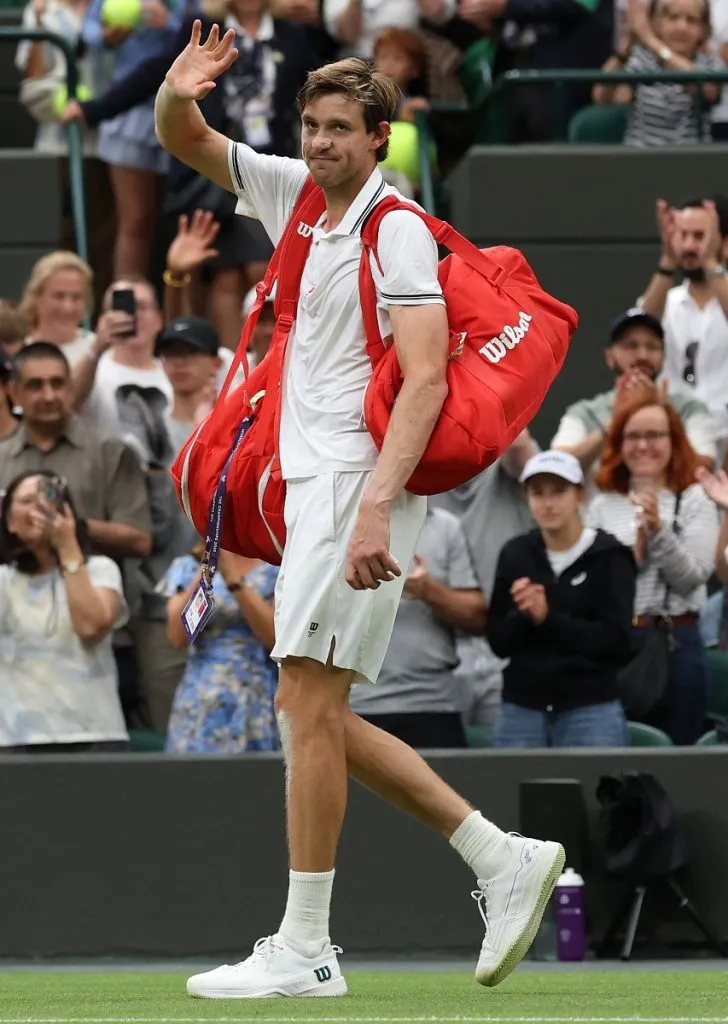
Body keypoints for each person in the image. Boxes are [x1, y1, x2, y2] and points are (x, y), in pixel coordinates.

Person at [154, 22, 564, 998]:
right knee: (317, 711)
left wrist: (378, 506)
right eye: (311, 125)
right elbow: (189, 140)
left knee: (306, 703)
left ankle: (307, 944)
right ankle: (495, 856)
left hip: (355, 487)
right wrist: (177, 89)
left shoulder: (395, 228)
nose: (322, 141)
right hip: (318, 493)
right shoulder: (296, 194)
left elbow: (423, 381)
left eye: (341, 127)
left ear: (381, 137)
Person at [588, 391, 718, 744]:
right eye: (633, 436)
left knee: (677, 761)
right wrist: (636, 553)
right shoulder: (602, 505)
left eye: (655, 435)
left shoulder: (694, 498)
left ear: (674, 442)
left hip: (677, 643)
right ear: (619, 443)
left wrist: (658, 532)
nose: (643, 446)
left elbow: (693, 576)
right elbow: (596, 586)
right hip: (618, 646)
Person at [486, 451, 636, 748]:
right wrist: (523, 615)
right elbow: (497, 641)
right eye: (538, 493)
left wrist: (547, 619)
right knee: (512, 793)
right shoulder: (515, 553)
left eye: (559, 491)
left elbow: (619, 643)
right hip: (522, 708)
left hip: (591, 707)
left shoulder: (610, 556)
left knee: (597, 793)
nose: (548, 503)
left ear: (580, 496)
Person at [0, 470, 128, 753]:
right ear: (10, 522)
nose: (38, 508)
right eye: (26, 501)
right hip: (17, 737)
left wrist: (67, 546)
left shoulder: (100, 570)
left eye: (46, 497)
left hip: (93, 733)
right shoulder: (4, 581)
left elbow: (91, 627)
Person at [349, 506, 486, 748]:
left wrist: (428, 590)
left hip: (433, 703)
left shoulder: (445, 526)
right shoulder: (342, 520)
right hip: (357, 704)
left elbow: (477, 617)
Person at [551, 307, 717, 487]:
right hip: (599, 512)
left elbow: (705, 467)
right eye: (631, 345)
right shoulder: (584, 412)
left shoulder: (689, 408)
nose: (642, 355)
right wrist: (616, 422)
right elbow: (557, 468)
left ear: (663, 356)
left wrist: (663, 416)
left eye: (652, 346)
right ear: (609, 356)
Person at [161, 544, 279, 752]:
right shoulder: (187, 566)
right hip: (200, 700)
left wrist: (234, 581)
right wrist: (206, 571)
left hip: (257, 697)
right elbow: (178, 636)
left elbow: (275, 639)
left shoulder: (276, 567)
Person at [593, 0, 723, 146]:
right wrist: (623, 50)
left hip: (690, 159)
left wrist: (649, 39)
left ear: (703, 29)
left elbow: (705, 88)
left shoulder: (709, 63)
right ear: (656, 23)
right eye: (673, 17)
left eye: (691, 20)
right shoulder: (642, 58)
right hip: (641, 158)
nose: (681, 27)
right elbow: (601, 97)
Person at [19, 251, 97, 366]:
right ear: (37, 297)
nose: (68, 307)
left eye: (76, 297)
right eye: (59, 296)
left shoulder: (101, 350)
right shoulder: (19, 352)